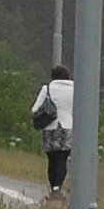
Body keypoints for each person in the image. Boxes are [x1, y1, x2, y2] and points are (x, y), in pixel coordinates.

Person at [29, 62, 75, 201]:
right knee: (63, 158)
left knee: (52, 159)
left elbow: (35, 109)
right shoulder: (76, 89)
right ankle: (58, 188)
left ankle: (54, 187)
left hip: (50, 127)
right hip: (68, 126)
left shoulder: (47, 88)